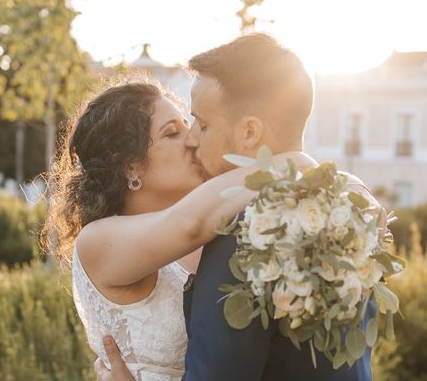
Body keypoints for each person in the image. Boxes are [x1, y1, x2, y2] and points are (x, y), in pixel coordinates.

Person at [93, 34, 379, 380]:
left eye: (203, 123)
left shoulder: (244, 234)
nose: (193, 138)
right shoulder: (348, 220)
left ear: (249, 133)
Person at [46, 77, 316, 380]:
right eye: (172, 133)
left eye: (189, 126)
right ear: (129, 166)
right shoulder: (98, 241)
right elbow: (189, 223)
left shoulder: (211, 236)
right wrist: (295, 163)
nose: (193, 140)